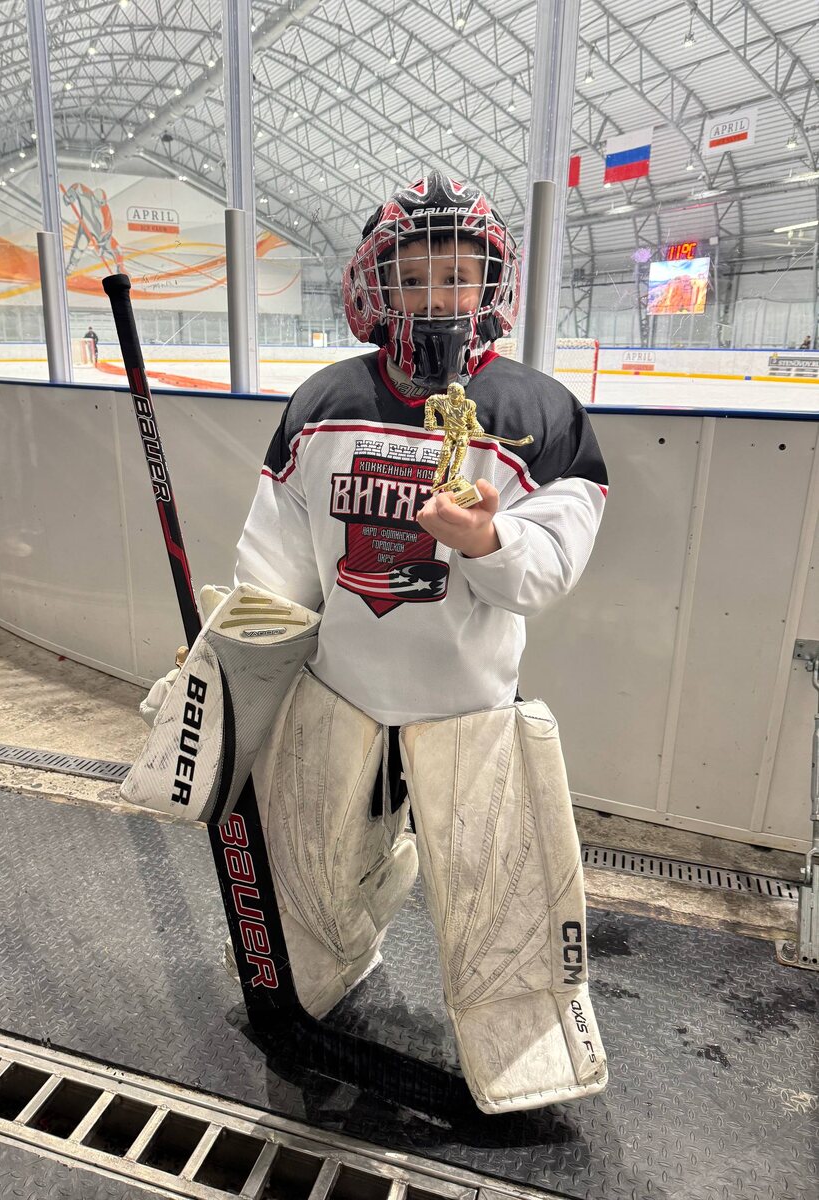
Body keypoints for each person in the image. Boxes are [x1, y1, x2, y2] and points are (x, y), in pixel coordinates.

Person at [143, 171, 609, 1113]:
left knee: (501, 900)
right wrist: (225, 670)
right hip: (338, 697)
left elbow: (546, 572)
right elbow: (276, 574)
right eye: (416, 275)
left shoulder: (540, 414)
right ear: (375, 283)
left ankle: (522, 1056)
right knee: (310, 872)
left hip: (471, 713)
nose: (437, 297)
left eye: (458, 275)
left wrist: (487, 540)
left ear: (491, 285)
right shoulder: (322, 403)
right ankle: (319, 982)